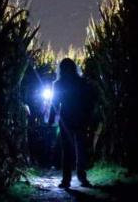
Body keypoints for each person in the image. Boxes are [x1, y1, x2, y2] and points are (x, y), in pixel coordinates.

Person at [48, 58, 93, 188]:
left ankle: (66, 180)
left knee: (67, 150)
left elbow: (54, 104)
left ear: (61, 69)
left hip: (66, 119)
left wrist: (51, 119)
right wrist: (88, 117)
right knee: (80, 148)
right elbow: (88, 102)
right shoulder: (81, 82)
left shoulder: (58, 84)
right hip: (80, 118)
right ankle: (82, 177)